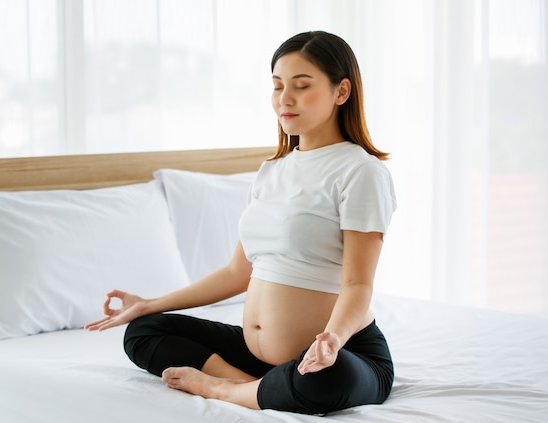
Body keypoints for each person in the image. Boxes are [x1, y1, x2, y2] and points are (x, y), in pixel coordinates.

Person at [85, 30, 396, 415]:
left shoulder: (360, 171)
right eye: (278, 86)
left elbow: (358, 283)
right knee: (144, 331)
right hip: (261, 358)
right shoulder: (271, 172)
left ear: (341, 92)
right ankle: (247, 385)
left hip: (338, 351)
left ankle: (224, 390)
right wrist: (148, 304)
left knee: (329, 378)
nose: (285, 99)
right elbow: (237, 272)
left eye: (301, 86)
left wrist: (332, 339)